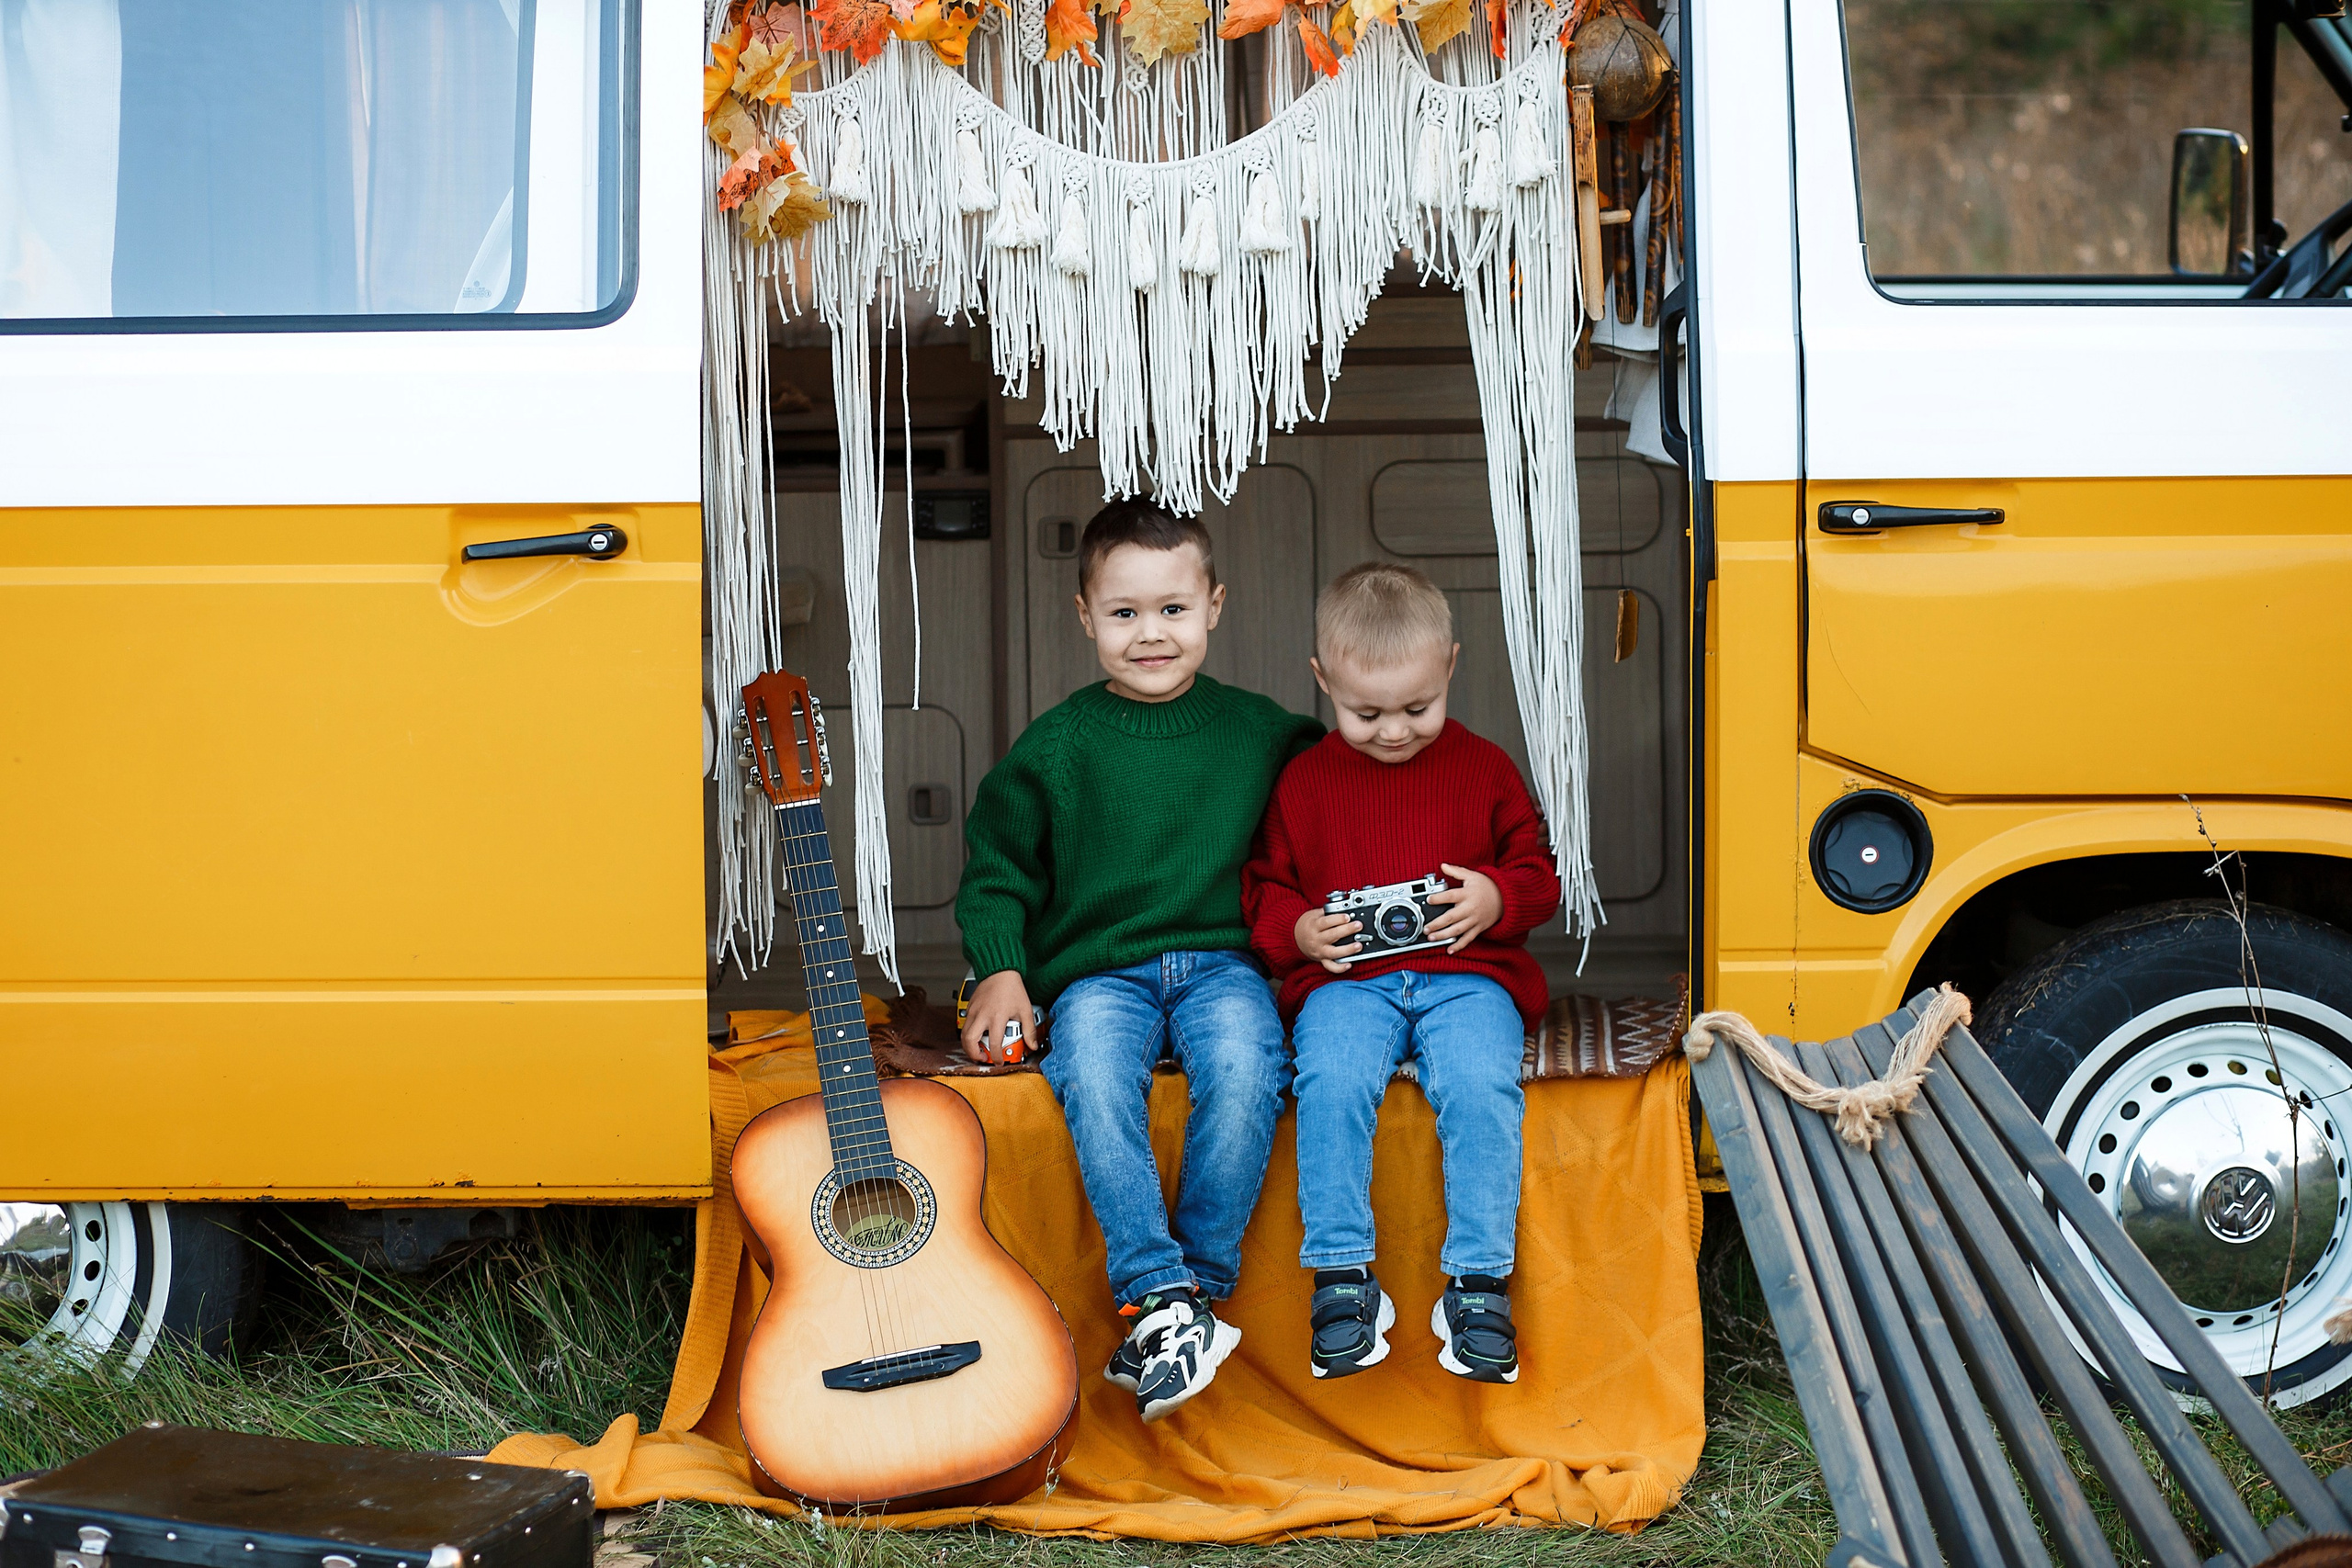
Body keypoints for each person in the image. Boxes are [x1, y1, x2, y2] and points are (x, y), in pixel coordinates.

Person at [956, 499, 1322, 1422]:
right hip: (1099, 973)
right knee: (1087, 1070)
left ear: (1215, 607)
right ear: (1084, 616)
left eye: (1172, 609)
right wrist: (1001, 968)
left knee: (1250, 1067)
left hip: (1220, 963)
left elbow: (1350, 787)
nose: (1149, 633)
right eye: (1123, 614)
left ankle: (1182, 1298)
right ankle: (1162, 1291)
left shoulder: (1264, 733)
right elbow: (997, 869)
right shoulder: (1058, 748)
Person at [1242, 562, 1560, 1384]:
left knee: (1483, 1087)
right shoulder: (1306, 780)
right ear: (1322, 682)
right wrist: (1301, 929)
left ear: (1451, 666)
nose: (1393, 731)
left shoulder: (1485, 768)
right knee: (1331, 1082)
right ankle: (1342, 1276)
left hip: (1468, 977)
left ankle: (1479, 1282)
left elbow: (1539, 873)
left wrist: (1495, 896)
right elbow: (1266, 886)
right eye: (1364, 712)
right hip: (1347, 981)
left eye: (1417, 708)